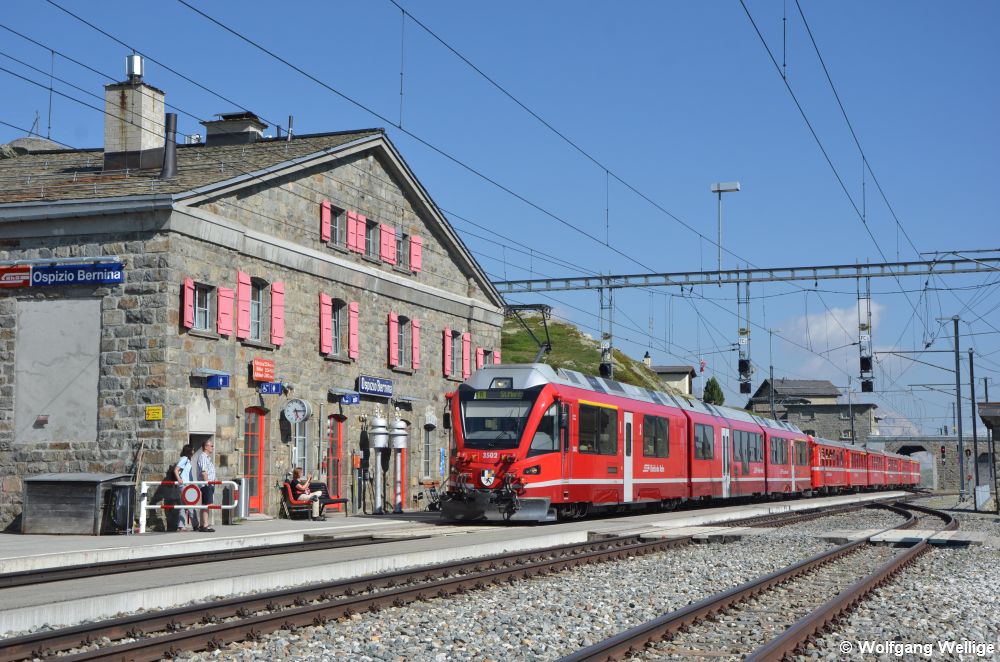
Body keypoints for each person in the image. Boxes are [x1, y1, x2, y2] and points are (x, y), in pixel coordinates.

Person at [193, 440, 217, 532]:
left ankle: (203, 524)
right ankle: (205, 525)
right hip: (206, 484)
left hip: (209, 484)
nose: (212, 448)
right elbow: (204, 472)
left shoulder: (207, 457)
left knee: (205, 504)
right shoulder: (203, 457)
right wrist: (208, 483)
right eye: (211, 446)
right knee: (208, 504)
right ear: (206, 447)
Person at [174, 444, 195, 531]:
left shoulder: (187, 460)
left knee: (182, 505)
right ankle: (196, 524)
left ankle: (181, 525)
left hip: (186, 485)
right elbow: (176, 470)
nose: (193, 451)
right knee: (190, 504)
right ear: (189, 451)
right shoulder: (184, 459)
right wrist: (179, 479)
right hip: (184, 485)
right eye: (193, 450)